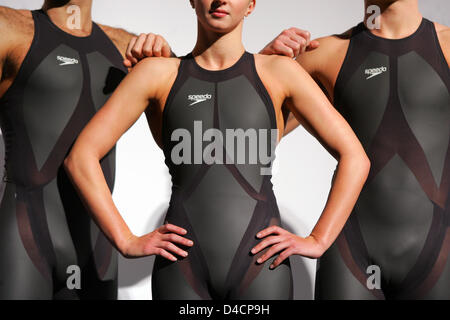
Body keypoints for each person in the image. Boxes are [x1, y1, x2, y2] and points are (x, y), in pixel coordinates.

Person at [64, 0, 370, 300]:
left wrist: (318, 239)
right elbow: (81, 157)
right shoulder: (155, 74)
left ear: (251, 5)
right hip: (182, 268)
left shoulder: (280, 73)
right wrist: (125, 240)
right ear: (192, 1)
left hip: (260, 266)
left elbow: (354, 157)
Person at [264, 0, 450, 299]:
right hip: (351, 254)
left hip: (439, 252)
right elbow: (248, 140)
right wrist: (264, 64)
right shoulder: (324, 54)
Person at [0, 0, 172, 299]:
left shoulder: (126, 46)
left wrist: (272, 60)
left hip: (98, 247)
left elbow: (212, 106)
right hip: (25, 239)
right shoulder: (9, 28)